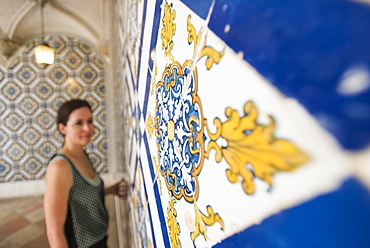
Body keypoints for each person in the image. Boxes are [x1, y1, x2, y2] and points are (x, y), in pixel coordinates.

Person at [44, 99, 127, 248]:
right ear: (63, 128)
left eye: (90, 121)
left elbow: (78, 194)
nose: (87, 128)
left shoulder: (83, 155)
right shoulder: (60, 167)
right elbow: (53, 232)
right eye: (78, 123)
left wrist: (108, 190)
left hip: (100, 239)